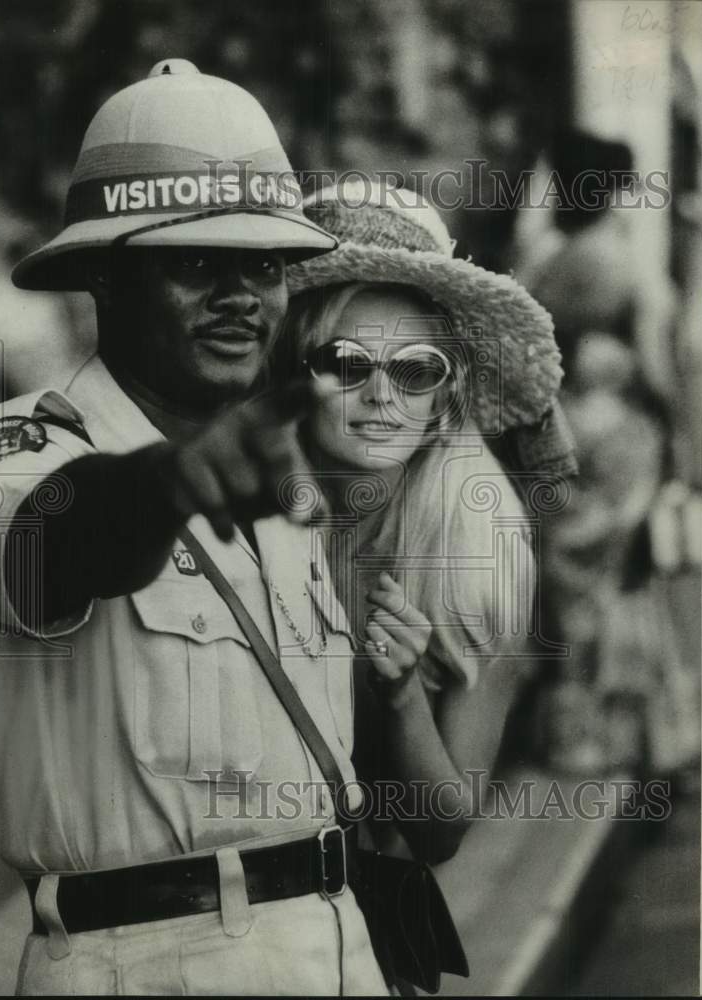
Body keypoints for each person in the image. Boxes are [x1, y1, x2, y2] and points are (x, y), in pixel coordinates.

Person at [0, 61, 397, 996]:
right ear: (104, 277)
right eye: (196, 265)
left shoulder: (280, 470)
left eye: (264, 266)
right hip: (144, 961)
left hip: (333, 940)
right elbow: (54, 546)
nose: (240, 295)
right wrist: (168, 483)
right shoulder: (24, 445)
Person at [275, 183, 565, 846]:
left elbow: (443, 834)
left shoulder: (476, 545)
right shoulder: (235, 512)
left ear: (443, 395)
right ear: (292, 373)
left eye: (415, 371)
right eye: (346, 364)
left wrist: (402, 695)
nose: (382, 395)